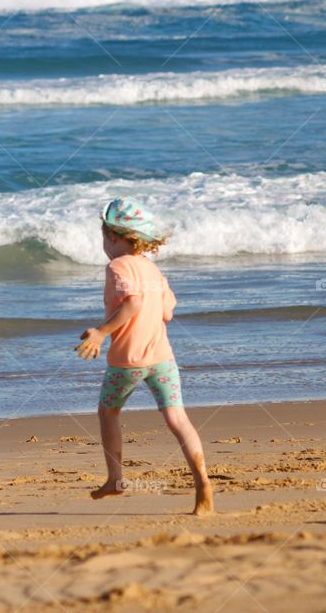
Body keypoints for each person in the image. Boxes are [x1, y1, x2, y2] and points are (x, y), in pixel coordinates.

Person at [75, 198, 214, 515]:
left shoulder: (117, 266)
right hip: (162, 358)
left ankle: (115, 479)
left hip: (127, 361)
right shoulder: (152, 269)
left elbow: (133, 303)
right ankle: (202, 481)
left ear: (113, 236)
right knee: (178, 419)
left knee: (108, 413)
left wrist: (101, 332)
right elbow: (167, 312)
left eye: (103, 237)